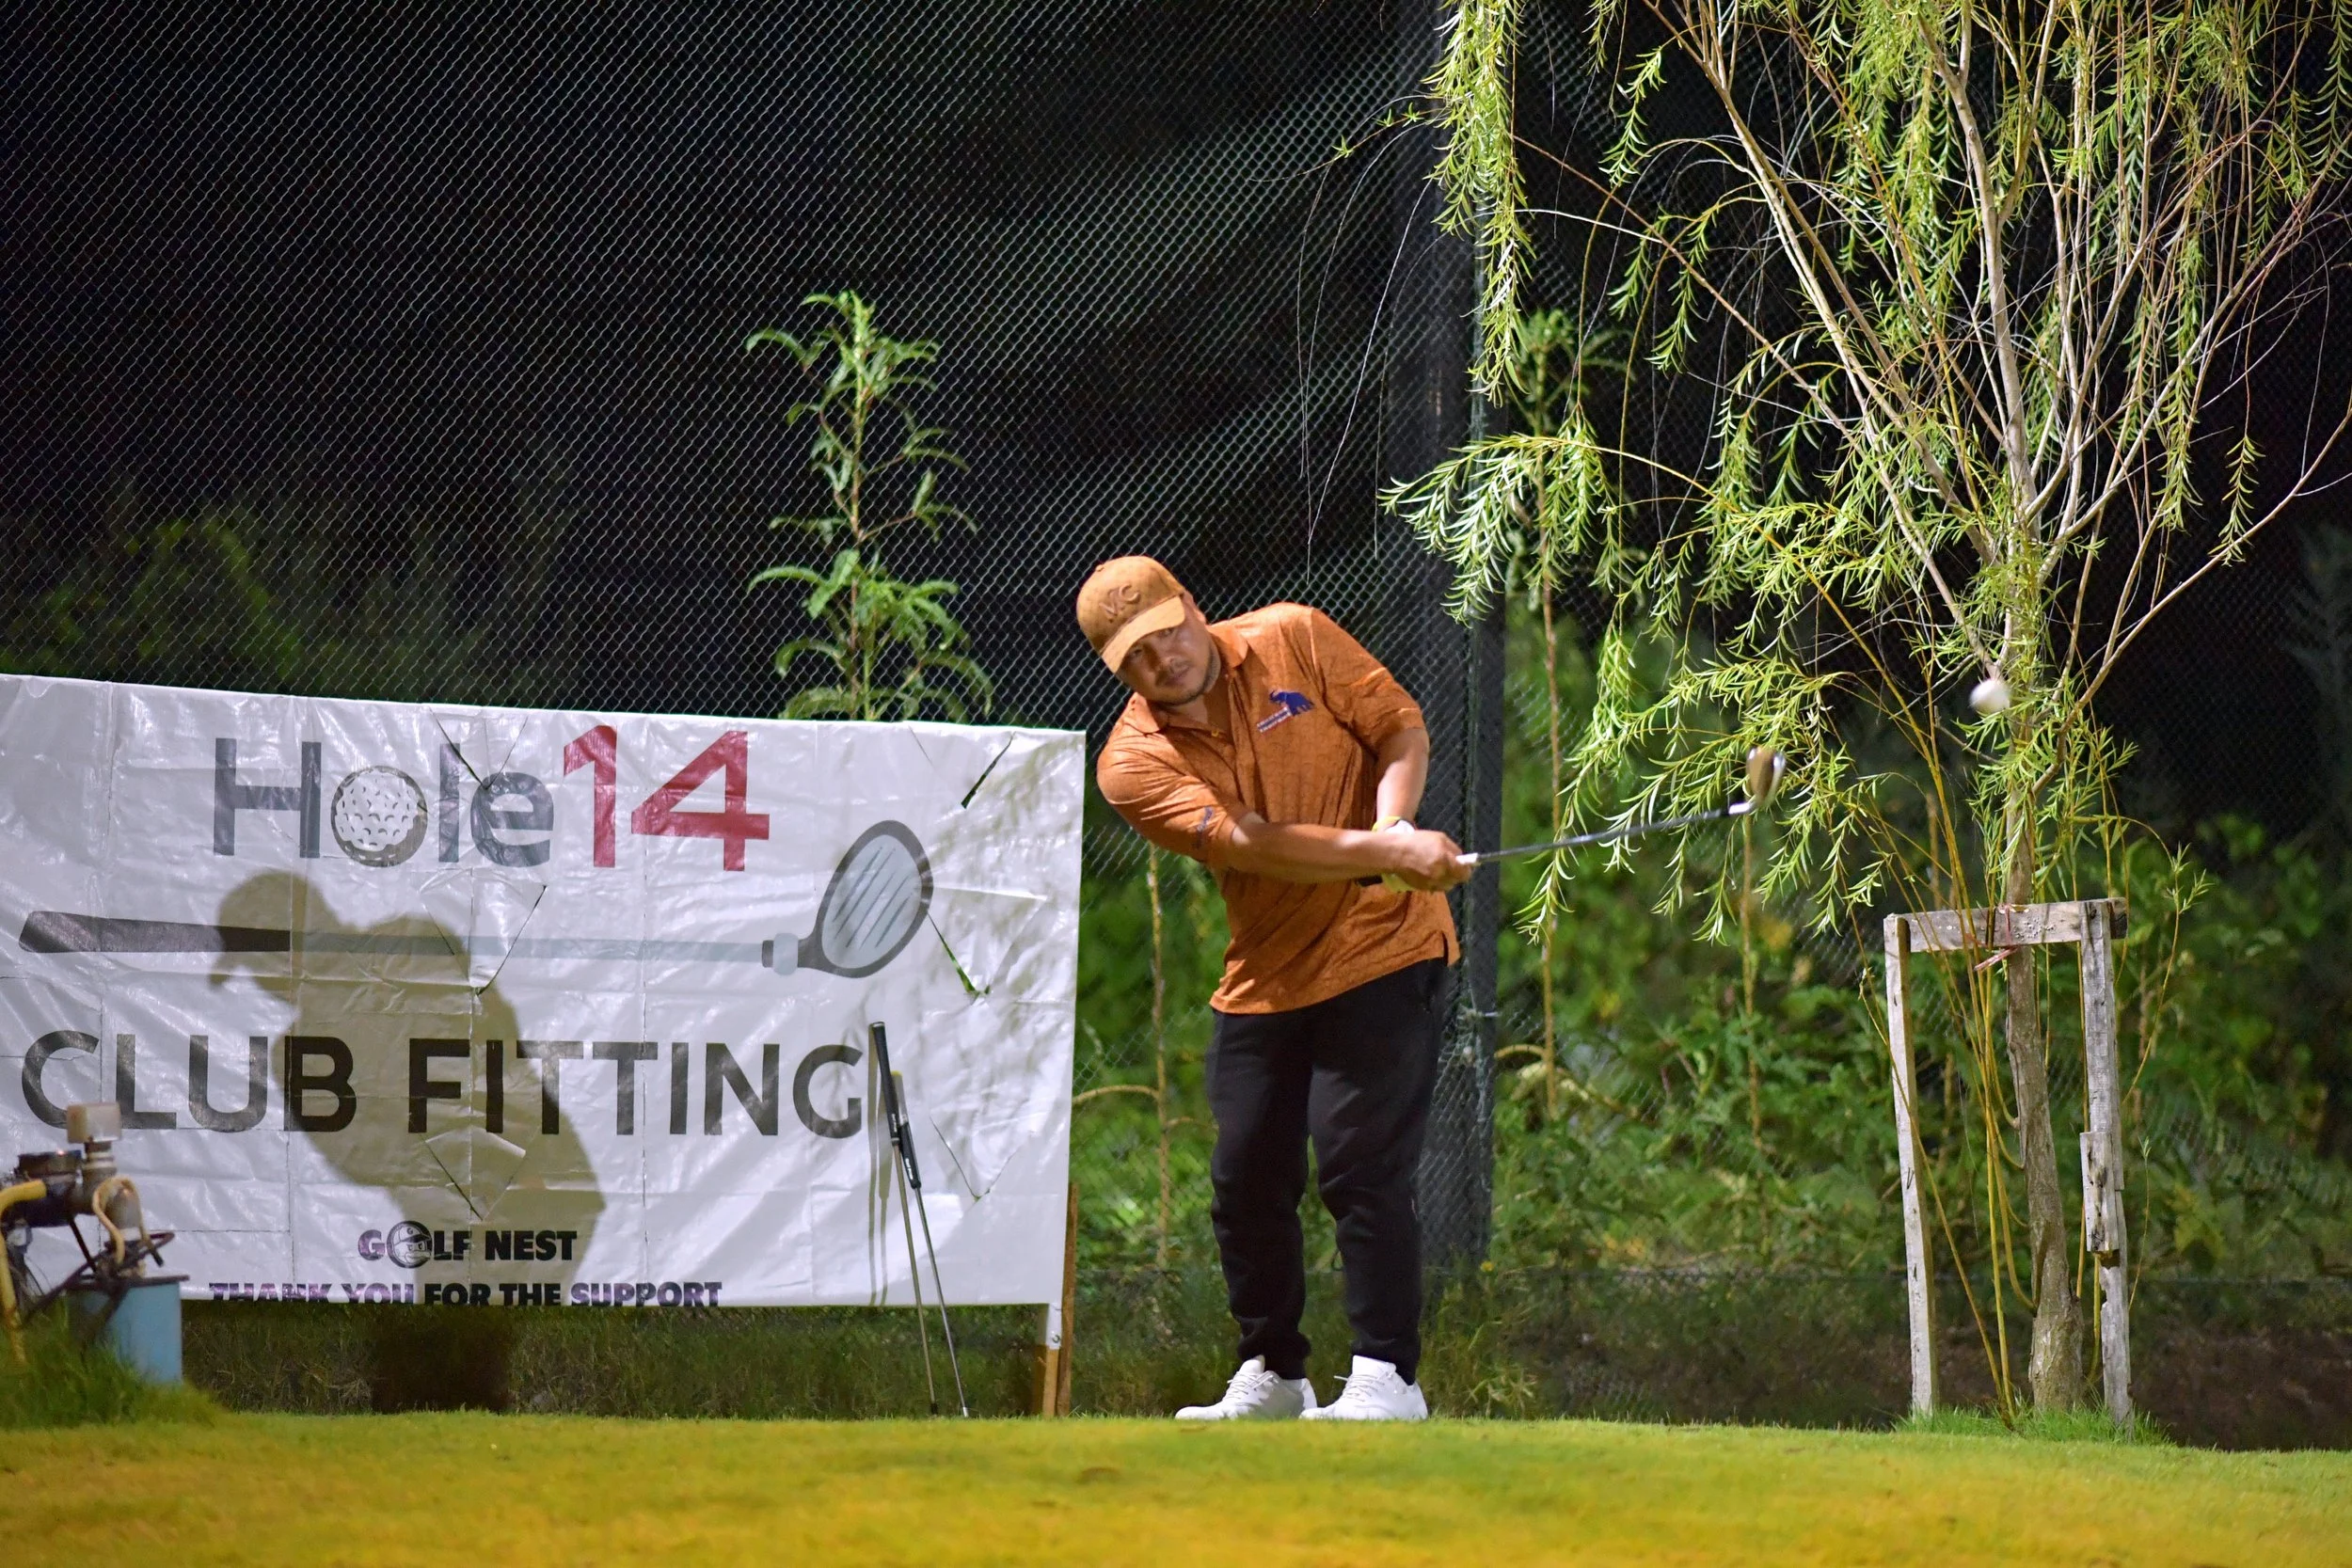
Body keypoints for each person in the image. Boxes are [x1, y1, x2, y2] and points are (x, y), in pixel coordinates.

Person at [1078, 555, 1473, 1422]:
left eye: (1165, 633)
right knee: (1246, 1174)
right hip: (1266, 968)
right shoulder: (1131, 762)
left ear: (1191, 604)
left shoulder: (1294, 633)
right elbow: (1254, 846)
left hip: (1384, 942)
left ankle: (1386, 1378)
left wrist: (1395, 823)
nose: (1162, 661)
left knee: (1357, 1159)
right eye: (1135, 657)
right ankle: (1273, 1371)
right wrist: (1390, 855)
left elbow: (1399, 727)